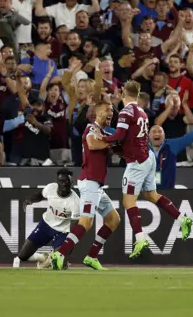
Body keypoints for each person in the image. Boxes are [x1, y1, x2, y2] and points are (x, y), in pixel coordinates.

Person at [51, 102, 121, 271]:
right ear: (98, 113)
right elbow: (92, 144)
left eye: (112, 111)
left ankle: (91, 256)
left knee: (113, 219)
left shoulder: (103, 133)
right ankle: (59, 254)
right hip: (89, 182)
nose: (111, 113)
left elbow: (115, 150)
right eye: (107, 110)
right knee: (86, 222)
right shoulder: (91, 128)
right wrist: (110, 143)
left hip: (96, 185)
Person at [93, 80, 155, 258]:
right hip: (144, 156)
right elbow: (127, 139)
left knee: (128, 202)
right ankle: (178, 219)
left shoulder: (127, 111)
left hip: (136, 162)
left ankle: (140, 237)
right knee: (150, 196)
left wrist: (103, 138)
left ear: (121, 92)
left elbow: (120, 135)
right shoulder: (142, 112)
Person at [14, 168, 80, 269]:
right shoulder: (50, 188)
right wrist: (30, 200)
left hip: (63, 232)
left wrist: (67, 251)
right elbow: (40, 195)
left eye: (67, 181)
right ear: (57, 182)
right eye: (61, 181)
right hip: (46, 225)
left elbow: (74, 229)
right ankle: (43, 258)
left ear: (71, 182)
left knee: (60, 266)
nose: (64, 184)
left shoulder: (75, 202)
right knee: (23, 256)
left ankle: (57, 259)